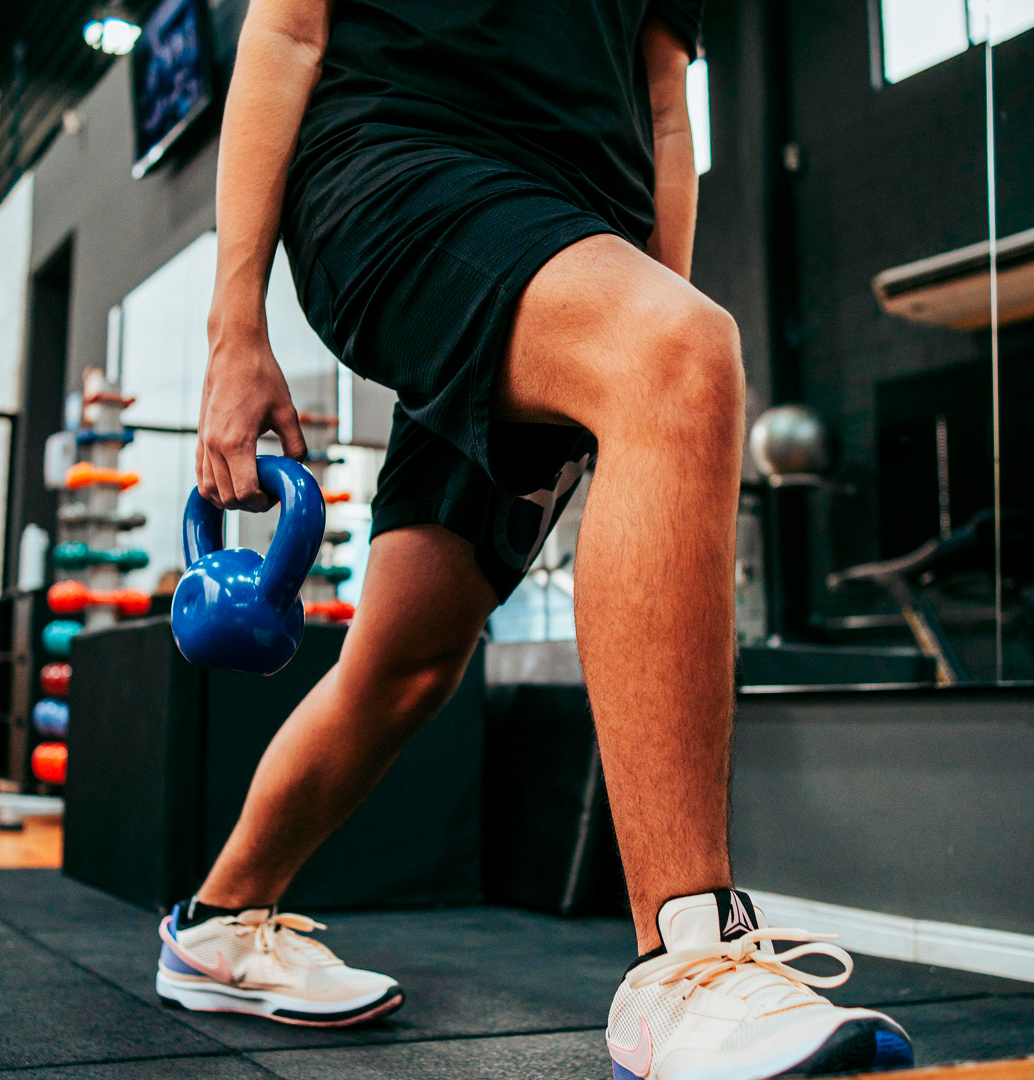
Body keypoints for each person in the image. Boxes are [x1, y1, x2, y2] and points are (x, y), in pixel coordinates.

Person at [154, 0, 916, 1074]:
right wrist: (235, 330)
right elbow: (285, 32)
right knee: (681, 352)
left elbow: (665, 111)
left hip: (571, 231)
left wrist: (653, 348)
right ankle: (686, 966)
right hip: (399, 168)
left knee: (409, 661)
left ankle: (218, 927)